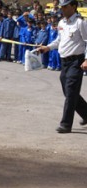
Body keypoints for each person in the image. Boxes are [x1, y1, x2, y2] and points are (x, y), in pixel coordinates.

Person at [38, 0, 87, 133]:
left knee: (71, 92)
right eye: (62, 7)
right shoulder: (61, 23)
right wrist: (48, 47)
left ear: (73, 6)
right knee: (69, 92)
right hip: (64, 62)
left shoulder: (80, 22)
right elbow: (59, 40)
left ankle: (66, 124)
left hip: (76, 62)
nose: (63, 9)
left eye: (65, 6)